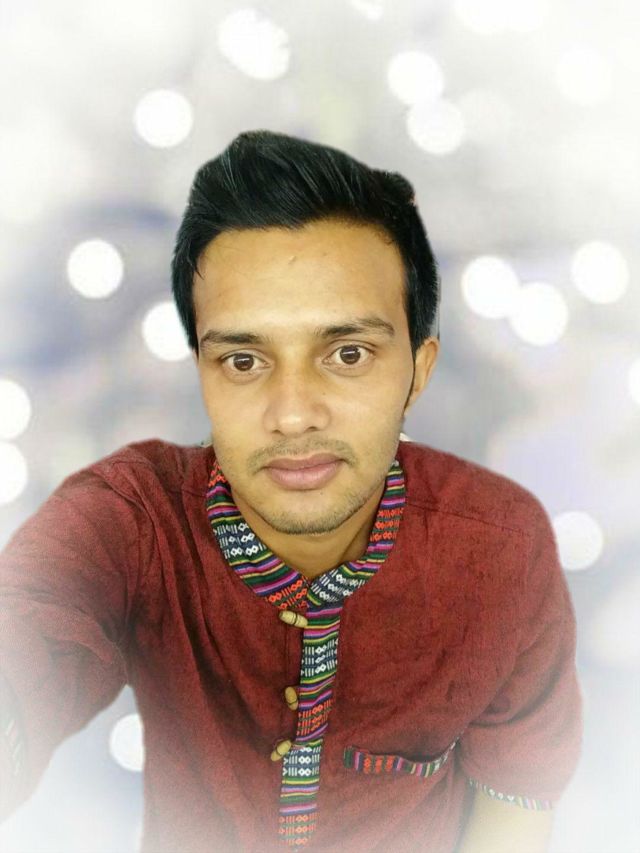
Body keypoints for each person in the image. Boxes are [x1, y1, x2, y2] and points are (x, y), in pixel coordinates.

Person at [0, 130, 582, 853]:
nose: (294, 413)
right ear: (202, 369)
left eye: (348, 353)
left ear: (418, 370)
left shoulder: (501, 550)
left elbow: (514, 812)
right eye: (244, 361)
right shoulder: (130, 523)